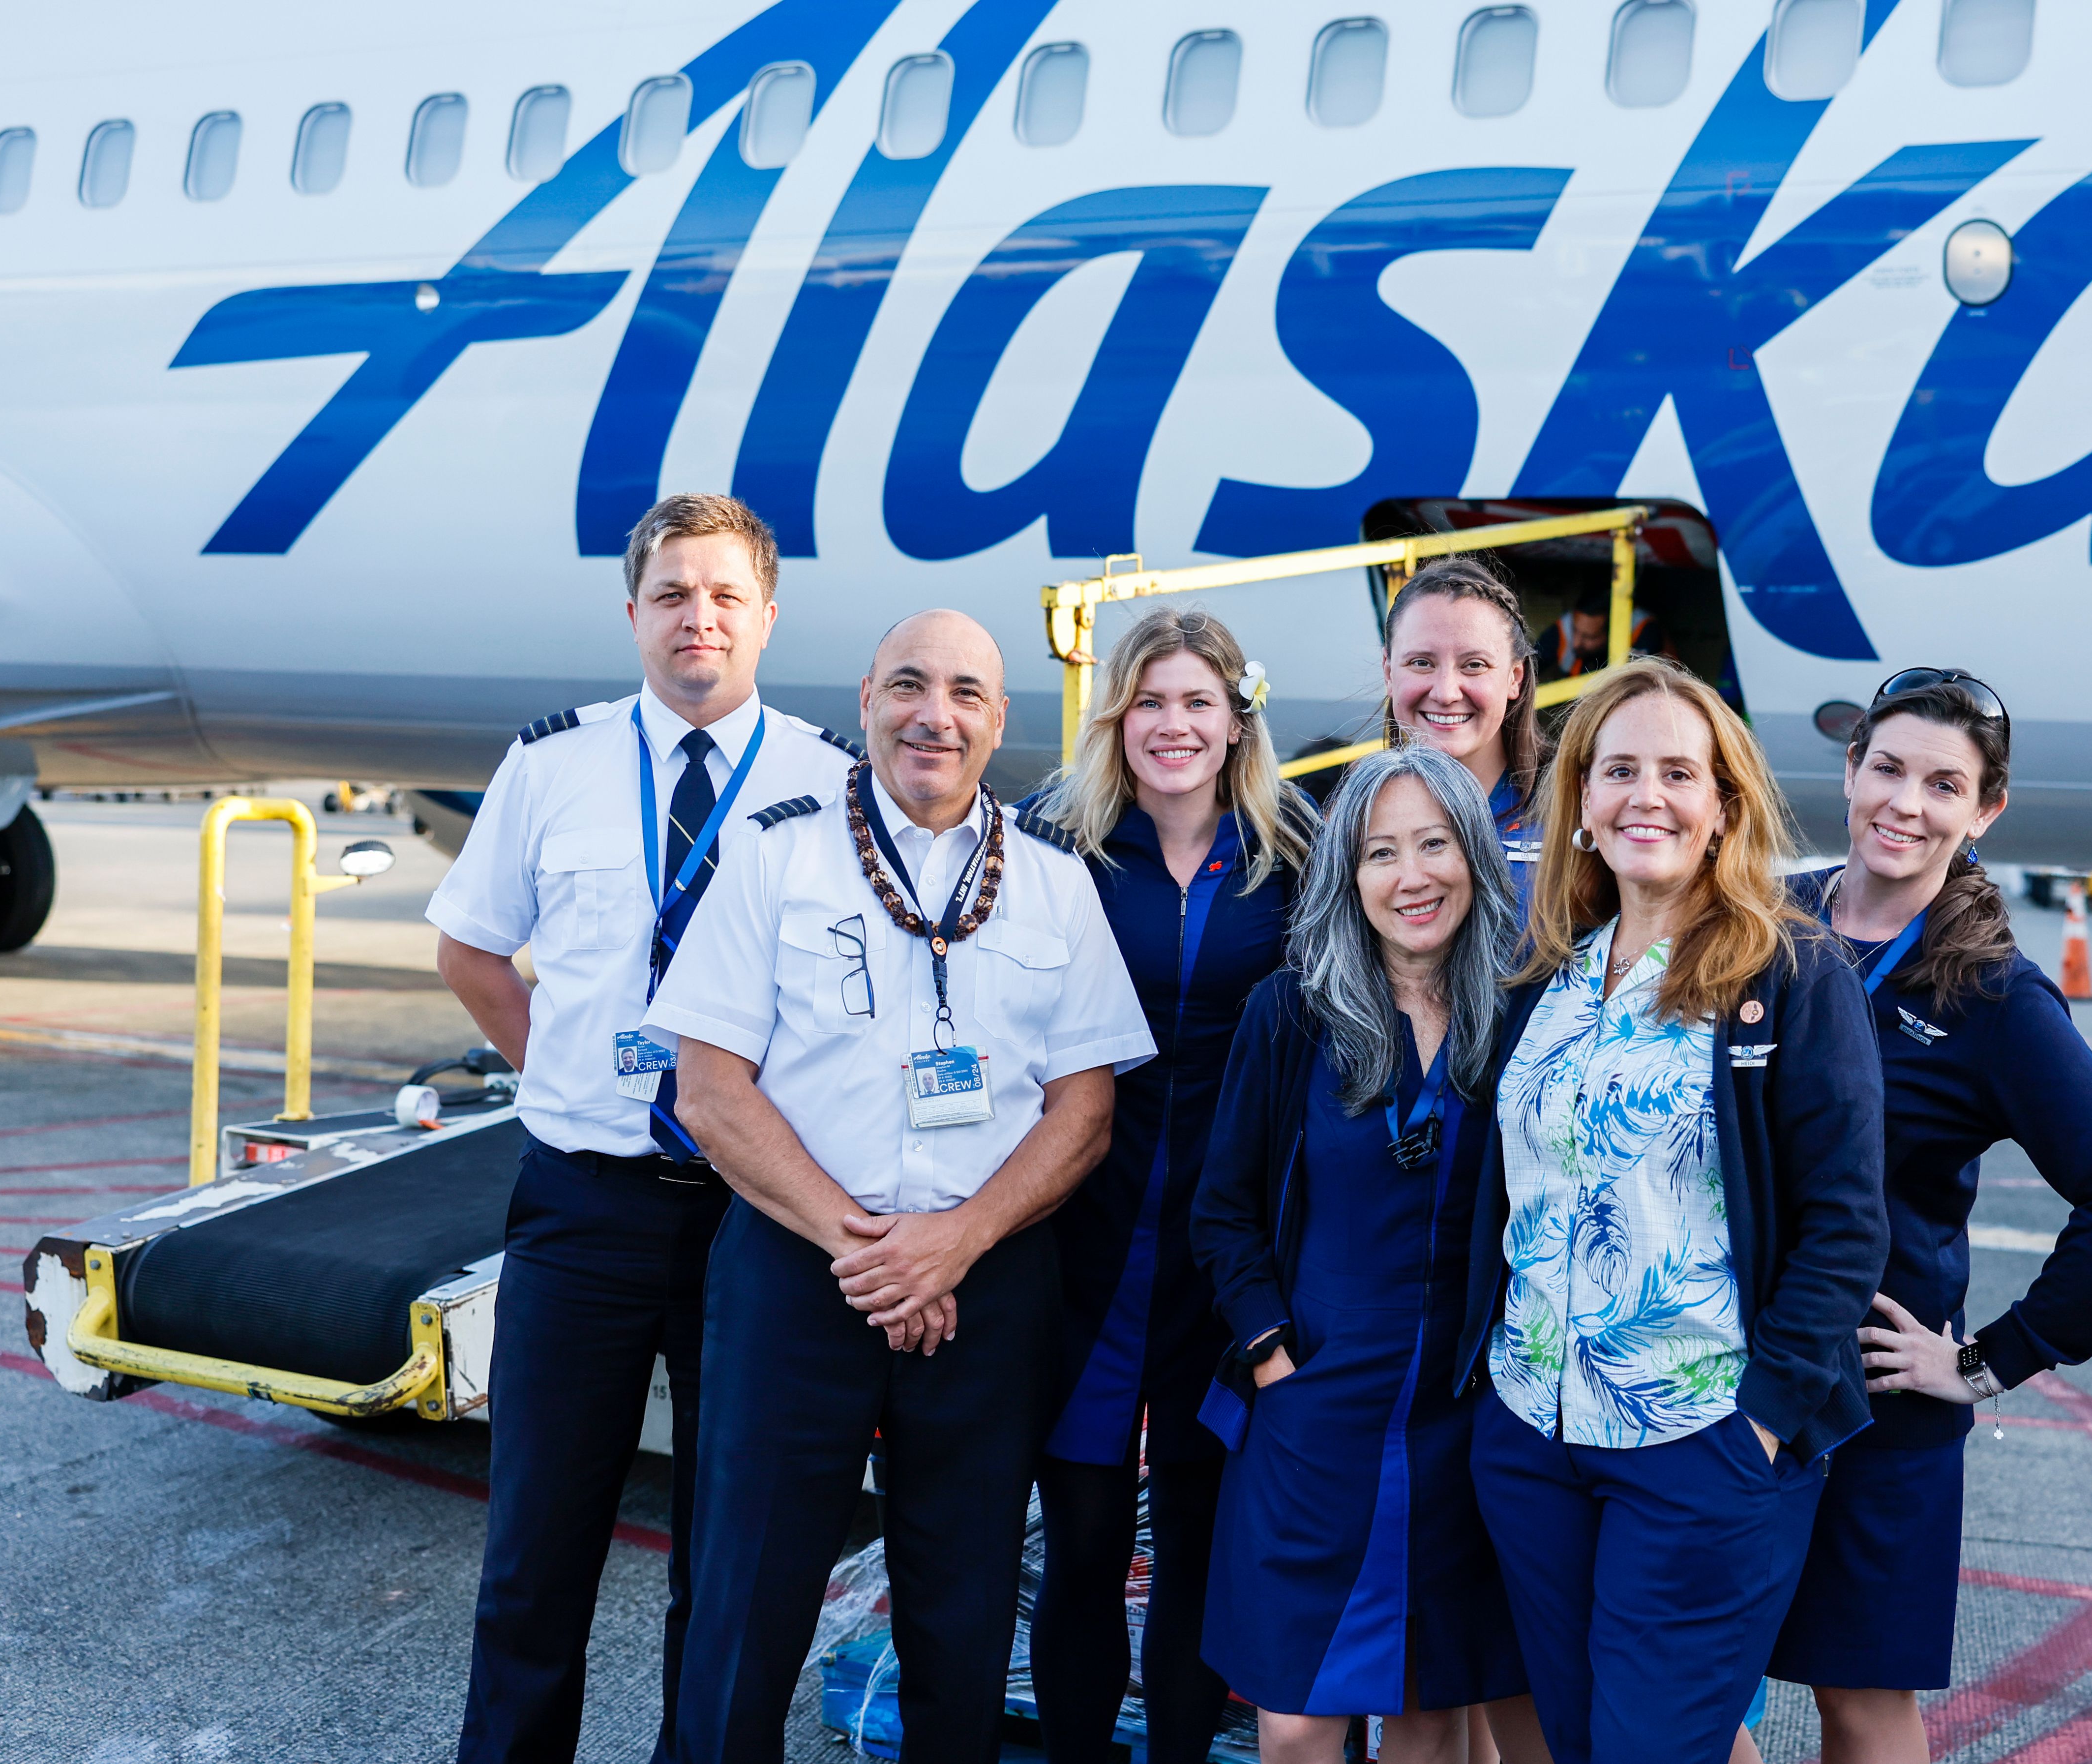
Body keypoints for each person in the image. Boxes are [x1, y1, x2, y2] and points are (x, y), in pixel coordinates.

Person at [648, 610, 1154, 1764]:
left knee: (962, 1610)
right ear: (867, 698)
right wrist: (876, 1251)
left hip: (985, 1282)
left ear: (999, 720)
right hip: (798, 1270)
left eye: (965, 693)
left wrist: (954, 1242)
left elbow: (1084, 1114)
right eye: (910, 686)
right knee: (746, 1600)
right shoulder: (774, 854)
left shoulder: (1051, 882)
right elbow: (710, 1092)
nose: (936, 715)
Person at [427, 493, 859, 1764]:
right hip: (585, 1207)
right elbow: (471, 950)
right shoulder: (552, 764)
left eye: (724, 595)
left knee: (728, 1560)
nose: (697, 617)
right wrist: (565, 1074)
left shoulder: (829, 782)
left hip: (756, 1219)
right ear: (633, 614)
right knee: (536, 1549)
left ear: (767, 615)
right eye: (672, 594)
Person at [1461, 657, 1887, 1764]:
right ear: (1581, 804)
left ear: (1723, 807)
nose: (1644, 795)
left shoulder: (1789, 971)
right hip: (1532, 1432)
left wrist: (1760, 1422)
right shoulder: (1544, 970)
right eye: (1617, 771)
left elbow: (1844, 1223)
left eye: (1677, 772)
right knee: (1572, 1743)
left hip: (1698, 1436)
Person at [1753, 670, 2092, 1764]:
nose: (1905, 803)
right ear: (1849, 773)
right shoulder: (1760, 921)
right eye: (1886, 769)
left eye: (1943, 784)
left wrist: (1987, 1361)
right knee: (1684, 1686)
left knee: (1859, 1704)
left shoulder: (1991, 995)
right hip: (1726, 1367)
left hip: (1872, 1403)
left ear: (1984, 811)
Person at [1191, 745, 1551, 1764]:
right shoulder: (1291, 1012)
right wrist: (1271, 1354)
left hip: (1462, 1419)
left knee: (1428, 1714)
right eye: (1380, 852)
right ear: (1347, 876)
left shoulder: (1523, 1014)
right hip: (1314, 1409)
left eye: (1434, 844)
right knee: (1296, 1720)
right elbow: (1222, 1211)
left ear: (1476, 856)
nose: (1411, 875)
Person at [1026, 609, 1316, 1764]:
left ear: (1237, 719)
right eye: (1148, 700)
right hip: (1083, 1246)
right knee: (1084, 1546)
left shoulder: (1295, 854)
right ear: (1115, 717)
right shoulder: (1057, 843)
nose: (1171, 724)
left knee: (1196, 1549)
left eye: (1196, 701)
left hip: (1225, 1259)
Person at [1381, 557, 1546, 911]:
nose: (1446, 693)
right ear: (1388, 672)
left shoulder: (1576, 811)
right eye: (1421, 663)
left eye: (1474, 665)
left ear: (1514, 677)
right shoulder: (1356, 819)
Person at [1531, 583, 1663, 684]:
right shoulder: (1566, 627)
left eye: (1589, 637)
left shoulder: (1643, 631)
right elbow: (1531, 664)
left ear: (1612, 633)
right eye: (1575, 630)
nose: (1576, 643)